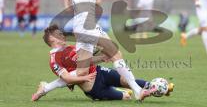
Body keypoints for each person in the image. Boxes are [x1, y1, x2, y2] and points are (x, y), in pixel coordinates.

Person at [20, 0, 153, 100]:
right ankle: (137, 90)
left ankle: (45, 88)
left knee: (82, 72)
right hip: (86, 28)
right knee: (116, 54)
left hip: (83, 29)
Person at [31, 25, 174, 101]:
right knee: (126, 97)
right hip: (94, 88)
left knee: (126, 79)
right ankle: (45, 87)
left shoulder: (71, 48)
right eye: (57, 38)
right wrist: (83, 78)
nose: (61, 38)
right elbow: (67, 78)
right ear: (52, 42)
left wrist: (100, 57)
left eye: (60, 35)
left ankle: (159, 87)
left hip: (99, 72)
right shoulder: (54, 60)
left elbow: (85, 62)